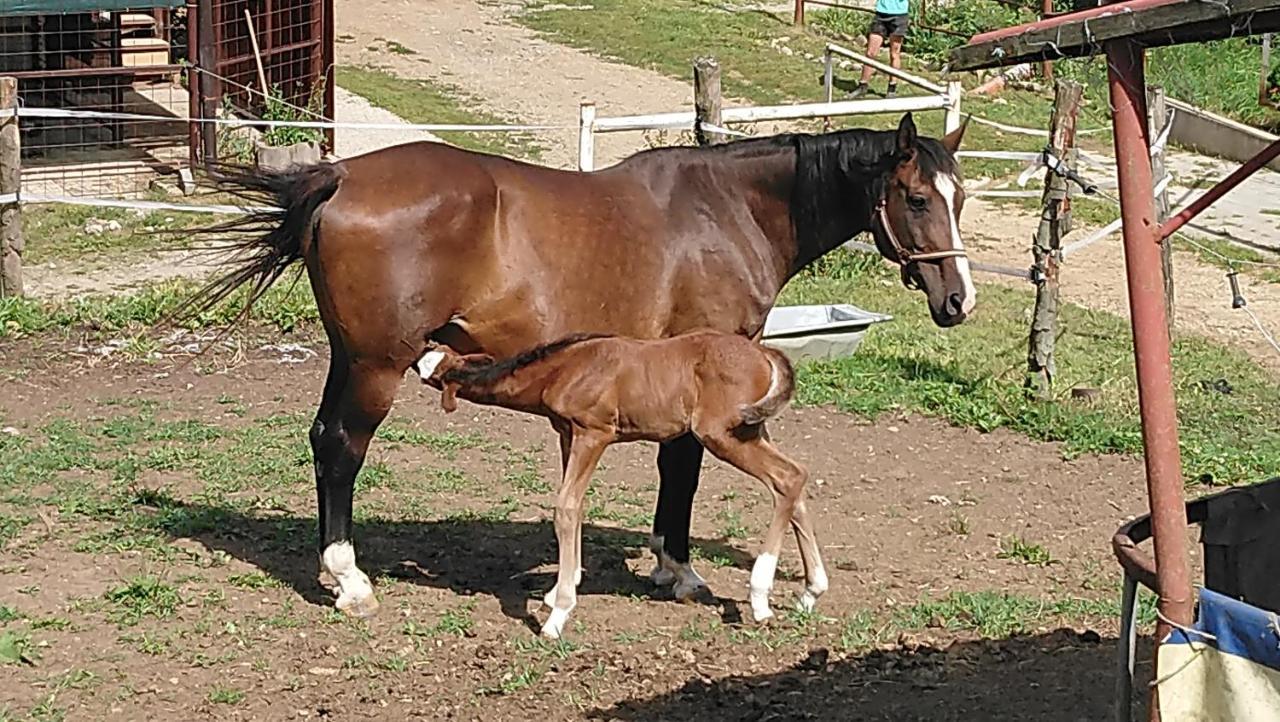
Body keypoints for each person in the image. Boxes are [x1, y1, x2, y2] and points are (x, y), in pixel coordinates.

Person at [848, 0, 909, 99]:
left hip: (899, 16)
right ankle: (862, 86)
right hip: (881, 14)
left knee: (894, 54)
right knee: (870, 53)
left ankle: (891, 90)